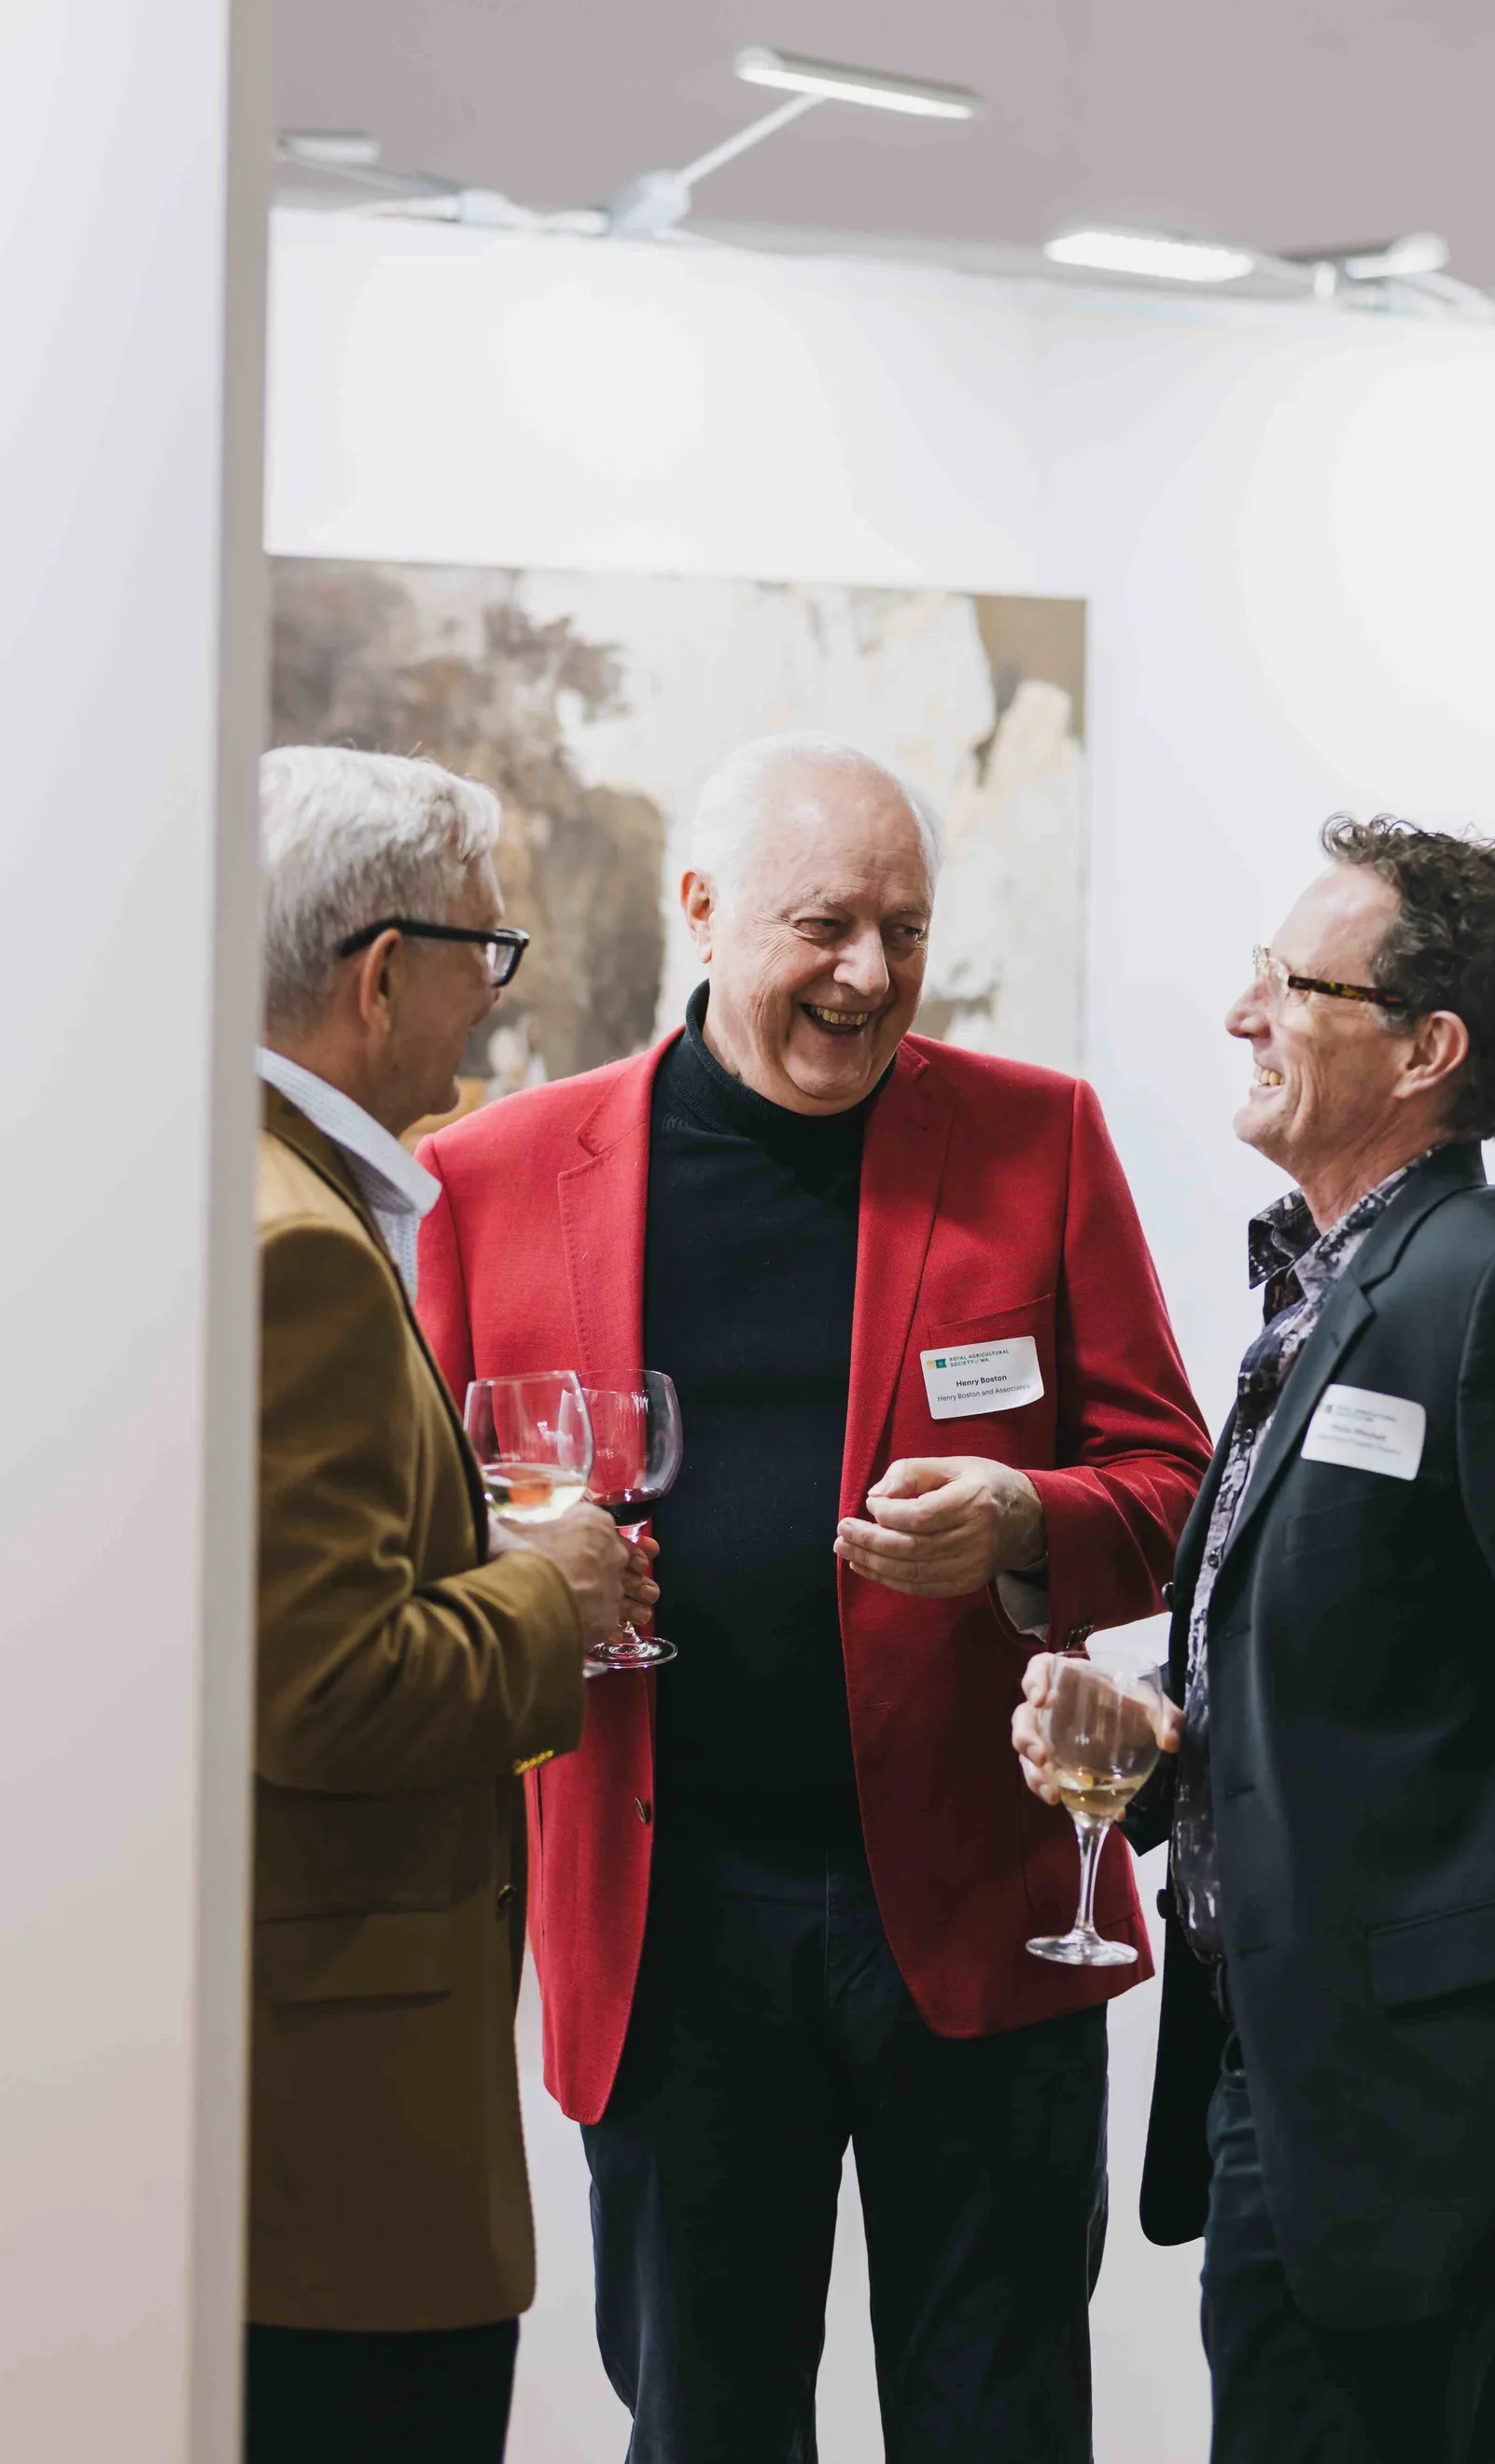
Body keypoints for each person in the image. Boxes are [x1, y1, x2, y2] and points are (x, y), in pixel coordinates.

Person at [415, 732, 1211, 2464]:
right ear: (700, 911)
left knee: (998, 2422)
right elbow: (416, 1536)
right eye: (826, 926)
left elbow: (1174, 1486)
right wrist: (521, 1574)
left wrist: (1024, 1515)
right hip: (667, 1915)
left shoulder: (1037, 1139)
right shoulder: (490, 1182)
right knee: (704, 2424)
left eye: (907, 933)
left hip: (980, 1898)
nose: (871, 977)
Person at [1014, 814, 1495, 2464]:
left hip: (1414, 2114)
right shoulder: (1328, 1291)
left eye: (1289, 982)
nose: (1240, 1012)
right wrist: (1161, 1738)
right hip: (1281, 2080)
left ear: (1426, 1049)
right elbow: (1389, 1682)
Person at [248, 746, 658, 2464]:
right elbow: (325, 1686)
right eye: (485, 955)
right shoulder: (303, 1250)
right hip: (338, 2135)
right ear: (378, 972)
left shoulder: (255, 1192)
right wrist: (545, 1595)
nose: (493, 1004)